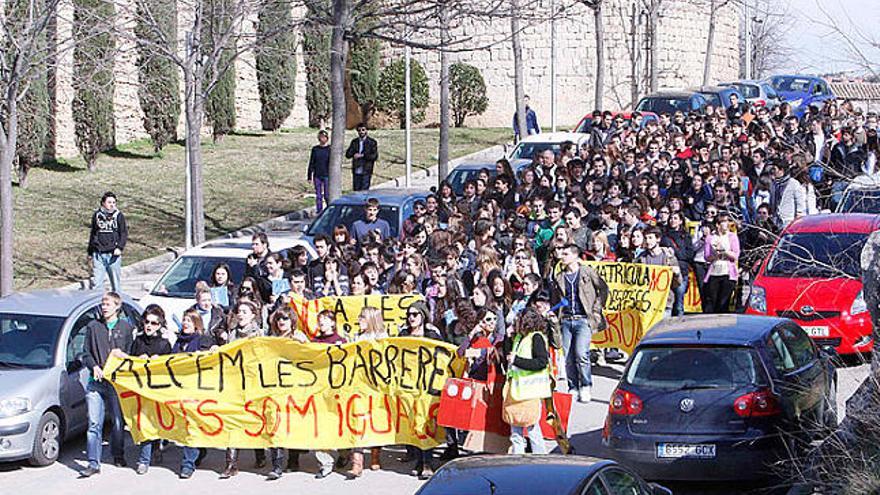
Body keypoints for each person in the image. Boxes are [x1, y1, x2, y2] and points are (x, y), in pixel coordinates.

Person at [78, 291, 134, 477]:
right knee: (94, 423)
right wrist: (93, 366)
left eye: (108, 304)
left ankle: (118, 453)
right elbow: (85, 353)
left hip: (116, 383)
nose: (104, 307)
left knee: (118, 421)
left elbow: (130, 356)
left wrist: (122, 357)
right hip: (96, 383)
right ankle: (94, 462)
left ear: (117, 306)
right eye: (103, 304)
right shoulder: (93, 327)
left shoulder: (125, 328)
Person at [553, 244, 608, 403]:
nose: (562, 256)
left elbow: (603, 289)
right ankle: (573, 386)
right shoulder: (559, 277)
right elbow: (557, 299)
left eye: (566, 254)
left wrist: (596, 309)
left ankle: (586, 385)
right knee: (568, 356)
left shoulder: (587, 272)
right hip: (566, 320)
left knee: (581, 354)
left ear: (575, 256)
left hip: (583, 319)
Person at [122, 305, 172, 475]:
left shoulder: (164, 344)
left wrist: (158, 362)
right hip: (140, 390)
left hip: (157, 391)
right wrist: (137, 360)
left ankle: (156, 447)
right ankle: (144, 460)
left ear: (159, 325)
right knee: (145, 424)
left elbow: (170, 369)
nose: (149, 326)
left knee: (155, 423)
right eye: (147, 322)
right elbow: (129, 364)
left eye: (154, 323)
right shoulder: (138, 342)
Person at [397, 301, 443, 479]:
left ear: (422, 316)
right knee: (413, 425)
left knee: (426, 423)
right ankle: (418, 460)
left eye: (415, 314)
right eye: (409, 314)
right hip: (409, 386)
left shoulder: (432, 335)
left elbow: (443, 354)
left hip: (428, 386)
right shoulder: (402, 335)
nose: (411, 317)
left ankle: (427, 462)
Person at [220, 301, 266, 479]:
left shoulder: (259, 334)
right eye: (239, 311)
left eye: (245, 312)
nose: (240, 314)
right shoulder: (232, 334)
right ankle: (231, 463)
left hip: (253, 384)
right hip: (235, 384)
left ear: (253, 315)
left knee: (255, 420)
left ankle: (260, 454)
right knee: (233, 421)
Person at [503, 307, 552, 455]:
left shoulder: (536, 338)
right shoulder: (519, 338)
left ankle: (540, 460)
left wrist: (517, 360)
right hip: (516, 390)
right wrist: (507, 337)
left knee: (532, 429)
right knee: (516, 432)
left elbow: (541, 362)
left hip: (529, 391)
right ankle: (518, 464)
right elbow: (508, 356)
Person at [347, 306, 388, 478]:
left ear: (371, 319)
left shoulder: (382, 337)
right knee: (356, 421)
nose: (359, 320)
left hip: (375, 384)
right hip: (357, 384)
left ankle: (375, 455)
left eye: (362, 317)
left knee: (374, 420)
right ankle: (357, 463)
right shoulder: (356, 337)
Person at [88, 192, 128, 292]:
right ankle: (97, 304)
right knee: (97, 284)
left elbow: (123, 233)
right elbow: (93, 233)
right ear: (103, 203)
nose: (112, 205)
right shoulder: (97, 215)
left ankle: (118, 303)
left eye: (114, 202)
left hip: (113, 255)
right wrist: (90, 251)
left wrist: (119, 247)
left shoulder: (118, 216)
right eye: (109, 202)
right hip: (99, 255)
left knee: (115, 284)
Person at [703, 212, 740, 313]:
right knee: (713, 302)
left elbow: (736, 255)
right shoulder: (710, 238)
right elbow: (706, 256)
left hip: (728, 273)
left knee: (724, 303)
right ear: (717, 224)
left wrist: (725, 251)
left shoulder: (732, 237)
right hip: (714, 271)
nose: (727, 224)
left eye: (727, 221)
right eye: (724, 221)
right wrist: (715, 255)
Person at [346, 123, 378, 191]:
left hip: (366, 170)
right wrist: (353, 154)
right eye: (359, 130)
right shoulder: (354, 142)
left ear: (366, 130)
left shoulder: (372, 142)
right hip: (356, 169)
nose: (361, 132)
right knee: (356, 190)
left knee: (364, 191)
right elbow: (348, 154)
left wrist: (362, 155)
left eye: (363, 130)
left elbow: (374, 156)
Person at [308, 129, 331, 213]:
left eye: (324, 137)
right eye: (321, 137)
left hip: (327, 175)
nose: (322, 139)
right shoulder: (315, 149)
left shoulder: (330, 149)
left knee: (327, 195)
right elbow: (312, 162)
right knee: (318, 195)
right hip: (317, 175)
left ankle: (329, 210)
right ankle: (319, 210)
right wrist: (309, 175)